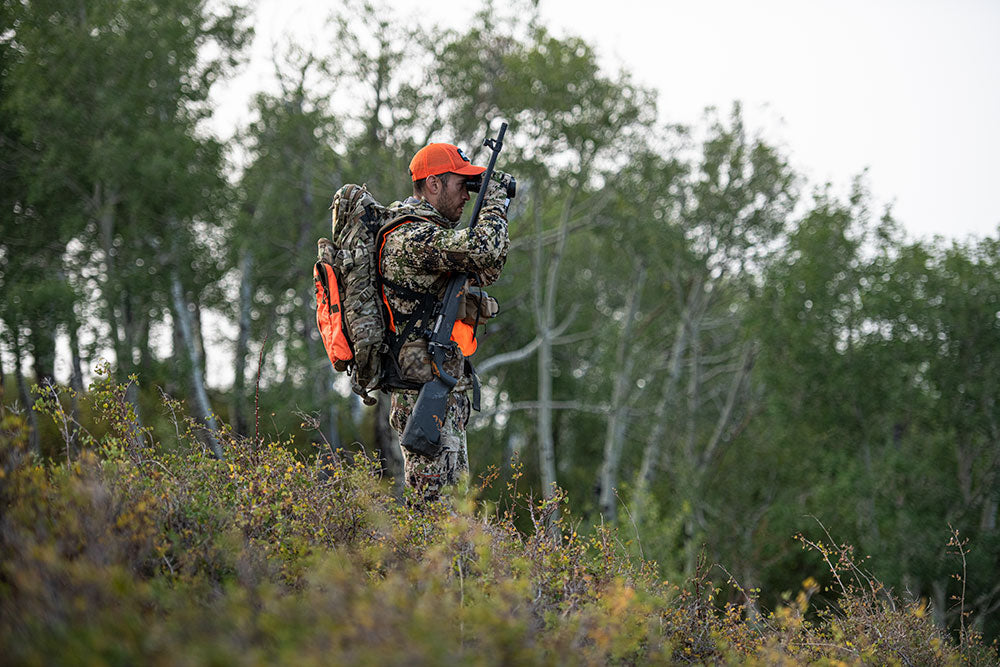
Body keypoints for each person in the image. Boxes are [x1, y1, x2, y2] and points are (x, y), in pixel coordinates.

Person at [379, 142, 513, 502]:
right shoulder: (410, 236)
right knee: (432, 518)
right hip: (422, 393)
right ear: (434, 184)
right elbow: (483, 248)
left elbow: (488, 265)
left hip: (440, 389)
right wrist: (495, 200)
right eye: (461, 184)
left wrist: (490, 202)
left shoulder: (432, 235)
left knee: (452, 520)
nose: (468, 195)